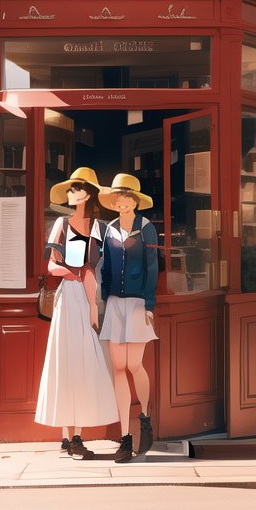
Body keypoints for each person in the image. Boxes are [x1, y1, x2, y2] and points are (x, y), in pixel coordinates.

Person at [34, 167, 118, 460]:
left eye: (76, 188)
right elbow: (50, 266)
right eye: (70, 189)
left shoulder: (100, 228)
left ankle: (76, 435)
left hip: (89, 300)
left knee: (85, 365)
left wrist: (95, 300)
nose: (71, 194)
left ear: (88, 194)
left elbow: (102, 267)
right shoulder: (62, 223)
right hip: (69, 298)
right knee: (67, 363)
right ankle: (69, 437)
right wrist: (75, 274)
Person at [98, 173, 158, 463]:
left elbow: (152, 266)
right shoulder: (109, 229)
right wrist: (103, 300)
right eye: (117, 197)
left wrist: (149, 302)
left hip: (136, 304)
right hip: (114, 305)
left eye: (126, 197)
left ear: (135, 201)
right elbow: (106, 267)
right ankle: (124, 437)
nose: (121, 202)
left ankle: (144, 418)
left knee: (135, 364)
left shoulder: (146, 228)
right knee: (118, 368)